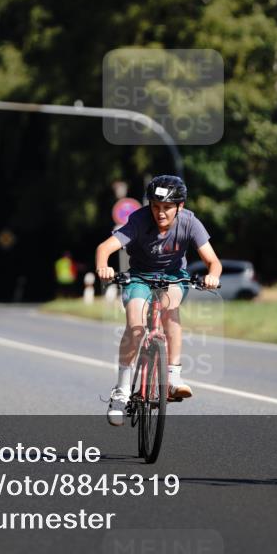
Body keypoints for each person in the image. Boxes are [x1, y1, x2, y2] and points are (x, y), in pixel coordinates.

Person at [95, 175, 222, 426]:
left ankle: (173, 377)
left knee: (170, 311)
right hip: (139, 277)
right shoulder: (139, 220)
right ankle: (121, 393)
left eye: (167, 208)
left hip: (174, 277)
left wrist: (213, 276)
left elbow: (213, 261)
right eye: (155, 206)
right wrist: (103, 267)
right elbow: (105, 248)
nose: (160, 213)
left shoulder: (190, 223)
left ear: (180, 206)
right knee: (136, 326)